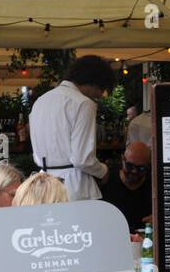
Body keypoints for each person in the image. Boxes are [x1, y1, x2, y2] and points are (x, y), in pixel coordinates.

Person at [29, 55, 115, 200]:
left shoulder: (40, 101)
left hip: (43, 183)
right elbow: (82, 159)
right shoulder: (83, 104)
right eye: (102, 89)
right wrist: (103, 171)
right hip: (74, 186)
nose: (100, 95)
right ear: (94, 83)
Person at [101, 141, 152, 231]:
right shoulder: (107, 179)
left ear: (148, 165)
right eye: (129, 166)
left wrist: (158, 218)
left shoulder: (154, 184)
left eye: (141, 168)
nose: (134, 171)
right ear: (122, 159)